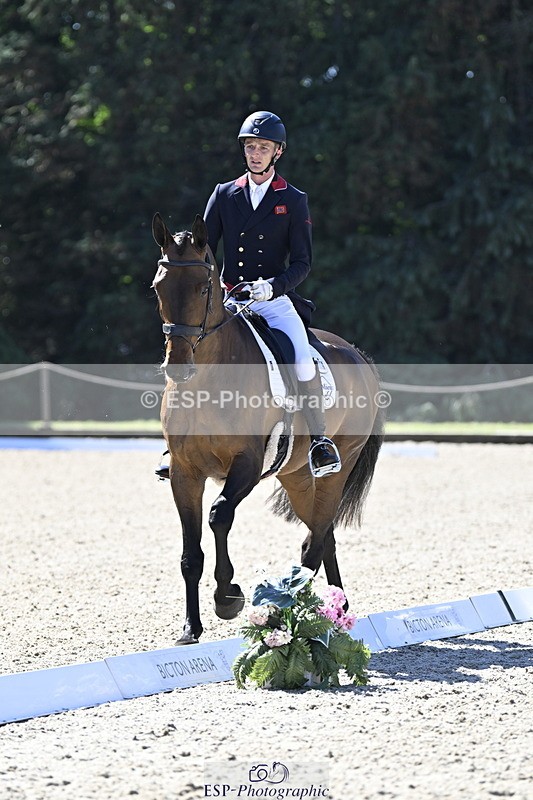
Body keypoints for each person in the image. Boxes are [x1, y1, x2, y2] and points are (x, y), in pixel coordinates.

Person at [203, 110, 341, 478]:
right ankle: (176, 443)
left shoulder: (293, 199)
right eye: (250, 147)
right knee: (191, 347)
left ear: (278, 152)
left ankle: (319, 440)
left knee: (301, 360)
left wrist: (272, 287)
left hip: (273, 300)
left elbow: (303, 263)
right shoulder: (224, 194)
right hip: (231, 299)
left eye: (263, 147)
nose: (255, 154)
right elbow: (204, 249)